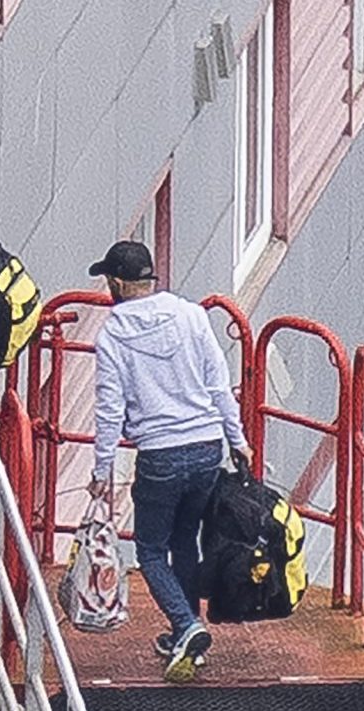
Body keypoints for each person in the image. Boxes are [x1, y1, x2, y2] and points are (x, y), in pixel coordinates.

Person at [84, 240, 253, 682]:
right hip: (205, 448)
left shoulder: (113, 336)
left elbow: (109, 409)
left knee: (151, 550)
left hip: (159, 455)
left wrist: (102, 470)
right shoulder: (192, 316)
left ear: (118, 283)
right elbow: (219, 385)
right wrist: (238, 440)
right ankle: (184, 633)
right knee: (185, 542)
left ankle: (186, 624)